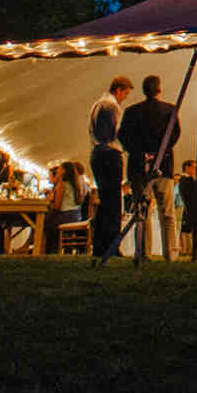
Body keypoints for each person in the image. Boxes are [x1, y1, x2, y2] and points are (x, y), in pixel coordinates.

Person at [118, 74, 181, 261]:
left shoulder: (131, 111)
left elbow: (123, 137)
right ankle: (170, 253)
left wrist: (140, 152)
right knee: (167, 213)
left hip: (139, 167)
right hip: (164, 165)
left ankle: (143, 253)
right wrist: (158, 152)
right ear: (159, 90)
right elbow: (174, 135)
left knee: (142, 212)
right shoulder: (170, 110)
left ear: (144, 90)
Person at [89, 74, 134, 258]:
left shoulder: (97, 104)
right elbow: (110, 134)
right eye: (125, 94)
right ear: (118, 90)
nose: (124, 98)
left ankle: (100, 245)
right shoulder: (110, 106)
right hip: (108, 155)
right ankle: (111, 246)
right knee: (113, 203)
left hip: (98, 154)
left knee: (106, 201)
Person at [45, 161, 82, 254]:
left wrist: (50, 202)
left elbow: (57, 206)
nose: (57, 170)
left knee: (45, 223)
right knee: (48, 220)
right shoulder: (75, 184)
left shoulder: (62, 185)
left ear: (64, 171)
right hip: (76, 216)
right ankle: (64, 249)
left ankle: (49, 251)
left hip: (66, 216)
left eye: (60, 169)